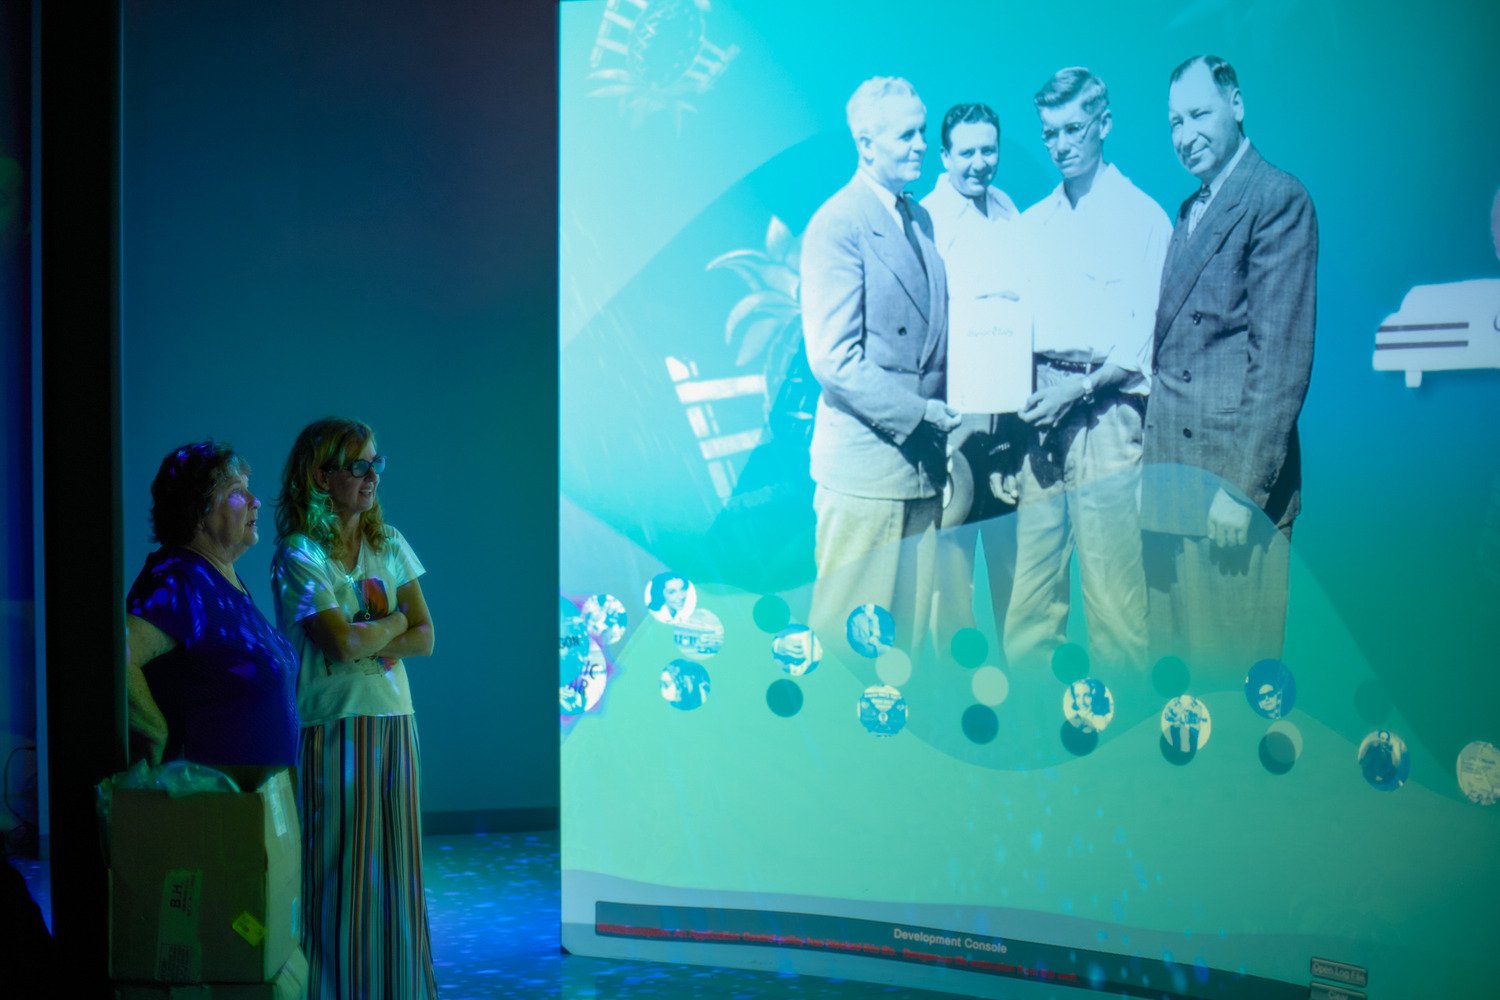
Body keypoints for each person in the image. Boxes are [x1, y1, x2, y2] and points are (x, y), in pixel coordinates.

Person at [1143, 56, 1317, 669]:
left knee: (1230, 682)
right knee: (1176, 685)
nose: (1185, 135)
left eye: (1198, 114)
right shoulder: (1189, 210)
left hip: (1228, 496)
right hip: (1171, 487)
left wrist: (1239, 493)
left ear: (1236, 105)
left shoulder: (1277, 199)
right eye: (1174, 122)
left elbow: (1279, 368)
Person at [1005, 68, 1170, 672]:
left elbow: (1142, 339)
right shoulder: (1032, 224)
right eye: (1050, 133)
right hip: (1042, 415)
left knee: (1114, 601)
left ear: (1105, 125)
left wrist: (1077, 389)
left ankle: (1122, 728)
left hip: (1108, 414)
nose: (1061, 145)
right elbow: (1013, 332)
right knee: (1030, 598)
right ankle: (1030, 719)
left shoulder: (1144, 218)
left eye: (1074, 129)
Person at [270, 418, 437, 1000]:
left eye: (375, 463)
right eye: (358, 465)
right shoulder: (298, 553)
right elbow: (341, 643)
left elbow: (426, 638)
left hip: (395, 725)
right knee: (338, 873)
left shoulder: (389, 544)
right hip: (332, 729)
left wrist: (378, 630)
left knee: (396, 871)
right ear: (322, 477)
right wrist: (394, 621)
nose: (372, 476)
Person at [800, 76, 959, 656]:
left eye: (923, 131)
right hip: (866, 478)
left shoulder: (920, 220)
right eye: (907, 135)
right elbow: (833, 358)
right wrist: (921, 414)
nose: (922, 145)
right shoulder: (837, 224)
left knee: (902, 654)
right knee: (849, 651)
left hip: (920, 472)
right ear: (866, 144)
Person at [919, 102, 1025, 648]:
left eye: (989, 150)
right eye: (967, 152)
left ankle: (1020, 687)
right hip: (954, 423)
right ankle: (955, 684)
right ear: (945, 156)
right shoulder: (926, 219)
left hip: (1005, 423)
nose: (979, 163)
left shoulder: (1008, 209)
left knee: (1013, 572)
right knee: (951, 579)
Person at [125, 441, 298, 768]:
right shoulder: (179, 579)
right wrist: (154, 732)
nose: (255, 501)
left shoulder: (219, 577)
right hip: (204, 794)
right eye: (237, 492)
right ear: (198, 511)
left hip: (253, 794)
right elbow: (118, 652)